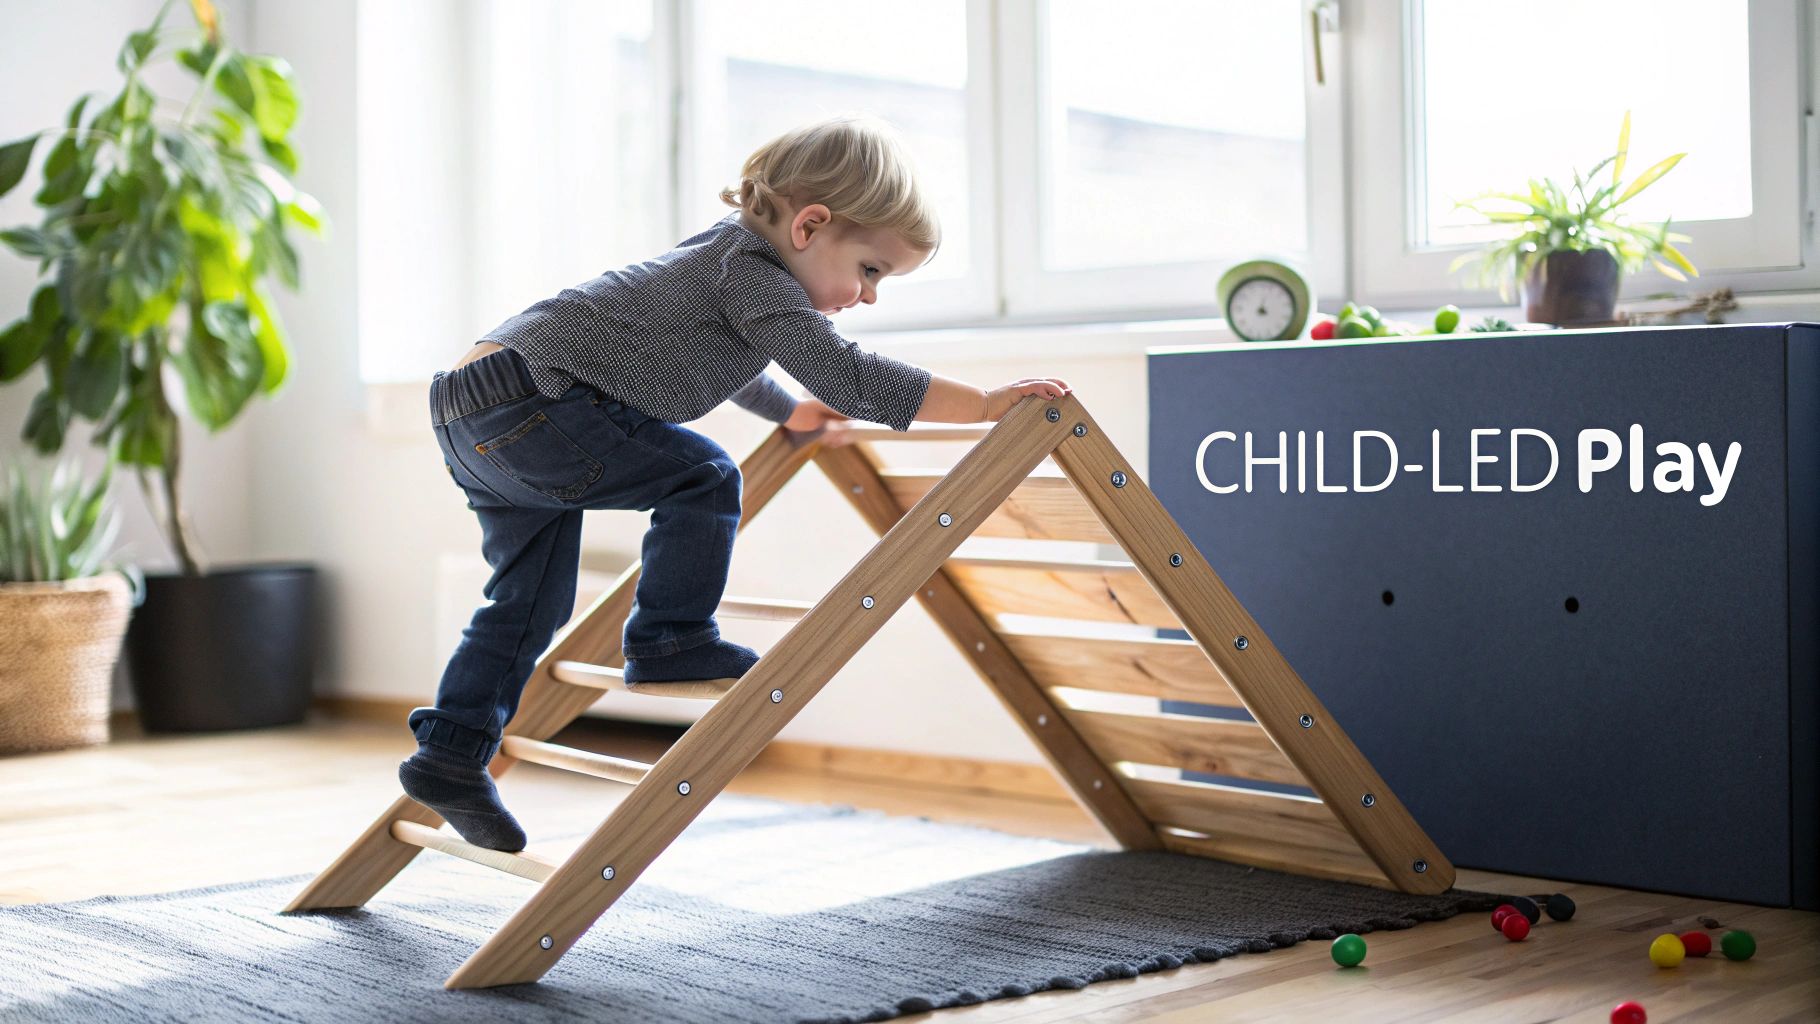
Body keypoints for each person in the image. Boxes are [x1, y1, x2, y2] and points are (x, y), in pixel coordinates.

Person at [401, 115, 1072, 851]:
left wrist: (788, 411)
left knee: (526, 602)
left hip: (474, 412)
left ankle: (450, 755)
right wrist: (980, 406)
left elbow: (718, 361)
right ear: (811, 225)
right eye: (871, 270)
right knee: (704, 475)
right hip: (538, 404)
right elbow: (848, 374)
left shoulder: (724, 260)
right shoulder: (752, 271)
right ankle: (669, 638)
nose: (869, 296)